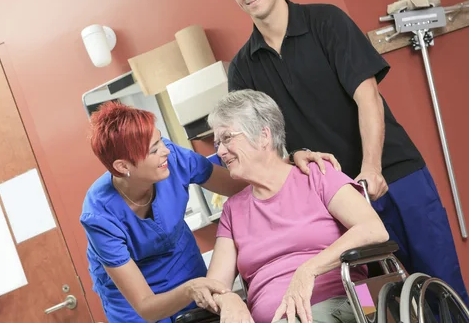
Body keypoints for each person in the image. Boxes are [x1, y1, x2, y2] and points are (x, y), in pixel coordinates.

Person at [218, 0, 469, 313]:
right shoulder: (243, 69)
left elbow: (367, 97)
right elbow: (260, 140)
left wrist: (372, 168)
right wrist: (293, 155)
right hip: (336, 205)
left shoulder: (327, 22)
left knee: (441, 289)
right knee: (383, 308)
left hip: (395, 177)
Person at [80, 101, 339, 322]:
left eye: (160, 141)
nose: (166, 150)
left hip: (184, 267)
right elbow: (145, 306)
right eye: (154, 149)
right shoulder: (99, 216)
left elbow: (234, 181)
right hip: (135, 300)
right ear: (123, 165)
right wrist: (211, 294)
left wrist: (291, 159)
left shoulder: (173, 160)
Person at [205, 89, 389, 323]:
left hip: (356, 301)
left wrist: (308, 270)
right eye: (217, 143)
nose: (220, 151)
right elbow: (215, 286)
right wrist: (228, 299)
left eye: (227, 138)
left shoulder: (317, 174)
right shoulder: (233, 210)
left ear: (263, 136)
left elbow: (374, 230)